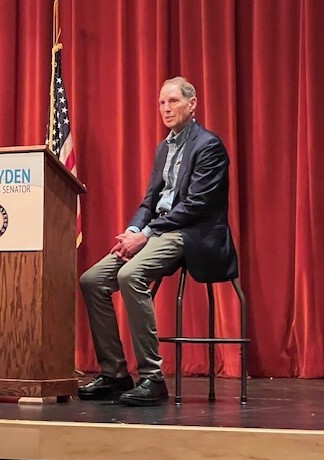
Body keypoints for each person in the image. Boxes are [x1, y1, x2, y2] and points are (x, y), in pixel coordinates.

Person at [78, 77, 238, 406]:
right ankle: (115, 373)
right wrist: (134, 230)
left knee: (130, 275)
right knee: (92, 280)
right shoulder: (163, 147)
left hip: (191, 233)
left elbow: (195, 206)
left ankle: (152, 376)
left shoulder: (209, 146)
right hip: (157, 230)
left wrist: (146, 235)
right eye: (162, 103)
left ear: (192, 105)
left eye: (173, 101)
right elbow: (149, 200)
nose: (166, 108)